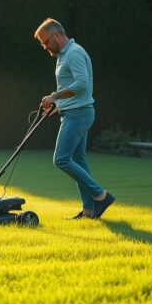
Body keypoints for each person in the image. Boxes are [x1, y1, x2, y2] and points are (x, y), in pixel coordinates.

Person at [35, 18, 115, 219]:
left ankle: (101, 195)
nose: (44, 47)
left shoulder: (74, 53)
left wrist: (55, 96)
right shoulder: (63, 55)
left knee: (61, 159)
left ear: (57, 35)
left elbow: (82, 84)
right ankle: (89, 211)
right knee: (78, 160)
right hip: (72, 112)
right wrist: (57, 106)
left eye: (45, 42)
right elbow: (72, 88)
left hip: (78, 115)